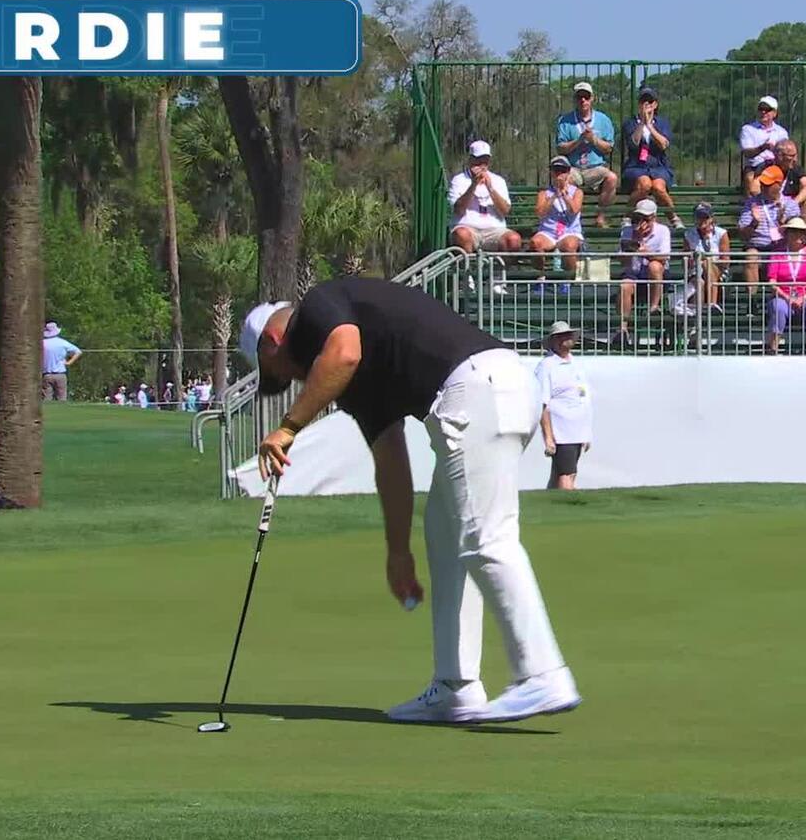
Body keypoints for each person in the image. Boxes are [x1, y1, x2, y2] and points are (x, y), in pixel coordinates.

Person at [243, 278, 579, 724]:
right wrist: (398, 552)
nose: (296, 380)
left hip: (478, 389)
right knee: (444, 535)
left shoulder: (319, 307)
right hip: (496, 388)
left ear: (272, 341)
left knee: (487, 538)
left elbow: (343, 352)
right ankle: (455, 686)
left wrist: (288, 428)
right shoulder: (356, 385)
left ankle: (542, 674)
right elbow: (390, 460)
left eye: (284, 372)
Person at [535, 321, 592, 491]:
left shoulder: (575, 364)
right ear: (553, 340)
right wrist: (549, 438)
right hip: (562, 432)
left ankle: (550, 507)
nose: (566, 339)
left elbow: (582, 397)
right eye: (560, 336)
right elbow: (542, 404)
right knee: (566, 475)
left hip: (577, 430)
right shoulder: (546, 366)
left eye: (568, 335)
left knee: (563, 473)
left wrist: (586, 432)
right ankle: (569, 507)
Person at [555, 81, 619, 228]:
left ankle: (601, 217)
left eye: (586, 96)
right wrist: (578, 141)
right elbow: (561, 148)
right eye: (579, 97)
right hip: (573, 167)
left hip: (595, 167)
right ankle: (570, 218)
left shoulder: (604, 120)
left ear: (592, 98)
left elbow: (609, 148)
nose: (583, 100)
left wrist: (594, 140)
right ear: (575, 100)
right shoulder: (565, 121)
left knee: (612, 178)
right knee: (562, 180)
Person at [447, 140, 522, 258]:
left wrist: (490, 187)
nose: (482, 164)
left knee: (513, 239)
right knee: (462, 235)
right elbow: (459, 210)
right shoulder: (459, 180)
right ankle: (469, 274)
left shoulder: (498, 180)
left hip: (494, 230)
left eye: (485, 160)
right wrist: (473, 185)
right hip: (468, 228)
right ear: (470, 160)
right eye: (478, 160)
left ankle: (499, 275)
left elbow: (505, 211)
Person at [765, 217, 806, 355]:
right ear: (787, 234)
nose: (798, 235)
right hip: (782, 295)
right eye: (794, 231)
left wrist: (803, 298)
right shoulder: (777, 254)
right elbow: (772, 282)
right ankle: (773, 348)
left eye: (801, 232)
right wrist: (787, 297)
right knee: (778, 307)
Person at [615, 199, 672, 344]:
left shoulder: (663, 230)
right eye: (639, 218)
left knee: (654, 266)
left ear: (653, 217)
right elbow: (622, 261)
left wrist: (646, 251)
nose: (642, 222)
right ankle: (622, 330)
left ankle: (654, 307)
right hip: (634, 272)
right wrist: (636, 240)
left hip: (656, 275)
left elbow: (664, 257)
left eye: (646, 218)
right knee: (625, 286)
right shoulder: (627, 231)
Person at [621, 86, 680, 228]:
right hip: (636, 166)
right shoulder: (630, 123)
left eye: (650, 101)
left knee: (659, 187)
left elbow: (664, 144)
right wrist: (642, 123)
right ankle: (627, 216)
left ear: (655, 104)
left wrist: (650, 126)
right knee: (645, 184)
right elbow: (633, 143)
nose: (646, 104)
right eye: (643, 101)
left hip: (658, 165)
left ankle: (674, 218)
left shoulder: (662, 123)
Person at [736, 165, 799, 290]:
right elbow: (743, 235)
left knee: (785, 255)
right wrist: (754, 222)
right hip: (758, 247)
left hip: (782, 247)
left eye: (768, 185)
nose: (764, 188)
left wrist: (782, 222)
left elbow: (796, 234)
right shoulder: (752, 203)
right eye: (763, 184)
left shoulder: (790, 204)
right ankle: (752, 300)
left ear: (779, 185)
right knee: (751, 256)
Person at [530, 155, 584, 283]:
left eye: (562, 170)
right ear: (552, 173)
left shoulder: (577, 192)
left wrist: (565, 194)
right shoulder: (544, 193)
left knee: (569, 245)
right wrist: (555, 195)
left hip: (569, 231)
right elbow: (540, 212)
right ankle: (541, 277)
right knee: (535, 243)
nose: (559, 174)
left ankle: (568, 279)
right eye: (556, 170)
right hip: (548, 232)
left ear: (568, 172)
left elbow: (575, 209)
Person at [738, 95, 790, 195]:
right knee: (749, 177)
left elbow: (786, 153)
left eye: (767, 109)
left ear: (774, 113)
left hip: (776, 165)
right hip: (755, 166)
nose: (763, 112)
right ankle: (752, 206)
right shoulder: (748, 129)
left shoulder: (781, 132)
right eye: (761, 109)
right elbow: (747, 153)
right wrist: (763, 148)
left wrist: (777, 151)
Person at [683, 201, 728, 312]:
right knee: (699, 282)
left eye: (705, 217)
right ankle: (696, 314)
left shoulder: (721, 233)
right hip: (696, 270)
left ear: (711, 218)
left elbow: (725, 261)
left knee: (707, 263)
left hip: (718, 269)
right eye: (699, 217)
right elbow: (686, 261)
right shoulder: (689, 234)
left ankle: (712, 303)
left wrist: (709, 261)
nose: (702, 221)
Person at [41, 322, 82, 401]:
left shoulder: (42, 343)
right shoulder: (62, 342)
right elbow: (78, 351)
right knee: (62, 398)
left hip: (47, 374)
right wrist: (69, 362)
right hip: (60, 374)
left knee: (46, 399)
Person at [773, 139, 806, 212]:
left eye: (796, 155)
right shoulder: (767, 168)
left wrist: (794, 203)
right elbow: (755, 189)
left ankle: (801, 222)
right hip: (771, 204)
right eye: (791, 156)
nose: (795, 159)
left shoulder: (796, 169)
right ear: (779, 156)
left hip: (790, 205)